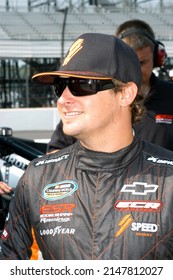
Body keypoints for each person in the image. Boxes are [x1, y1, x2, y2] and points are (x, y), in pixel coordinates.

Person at [1, 32, 173, 260]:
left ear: (125, 94)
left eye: (81, 85)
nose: (63, 99)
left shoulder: (169, 179)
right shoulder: (37, 178)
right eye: (60, 86)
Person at [46, 19, 173, 153]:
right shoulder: (87, 106)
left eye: (142, 62)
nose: (137, 70)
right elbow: (56, 153)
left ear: (157, 59)